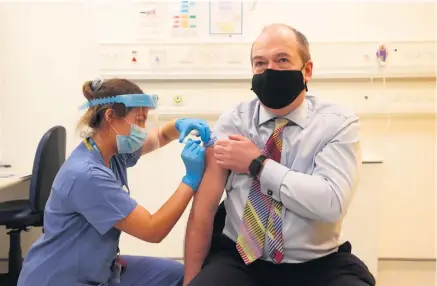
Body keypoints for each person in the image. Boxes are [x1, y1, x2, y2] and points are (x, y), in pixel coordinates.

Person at [183, 24, 376, 286]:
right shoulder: (234, 122)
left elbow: (330, 204)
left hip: (318, 263)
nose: (270, 70)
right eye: (260, 63)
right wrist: (191, 280)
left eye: (282, 60)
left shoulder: (337, 124)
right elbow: (203, 210)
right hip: (241, 259)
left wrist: (259, 166)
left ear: (307, 70)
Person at [18, 78, 211, 286]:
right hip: (58, 279)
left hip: (99, 268)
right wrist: (190, 180)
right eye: (138, 120)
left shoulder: (111, 153)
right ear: (110, 116)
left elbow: (160, 135)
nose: (142, 128)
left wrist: (179, 125)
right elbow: (153, 229)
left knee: (178, 275)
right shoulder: (87, 175)